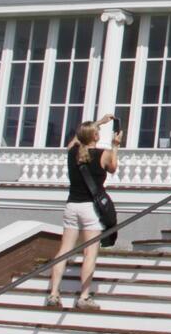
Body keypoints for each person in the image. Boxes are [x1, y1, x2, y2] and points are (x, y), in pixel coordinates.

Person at [47, 115, 120, 310]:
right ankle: (84, 296)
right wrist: (115, 145)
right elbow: (113, 168)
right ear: (95, 136)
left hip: (72, 206)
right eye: (97, 132)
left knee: (64, 250)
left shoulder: (73, 153)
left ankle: (54, 293)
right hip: (90, 209)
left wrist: (97, 123)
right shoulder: (103, 154)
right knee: (90, 252)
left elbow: (77, 139)